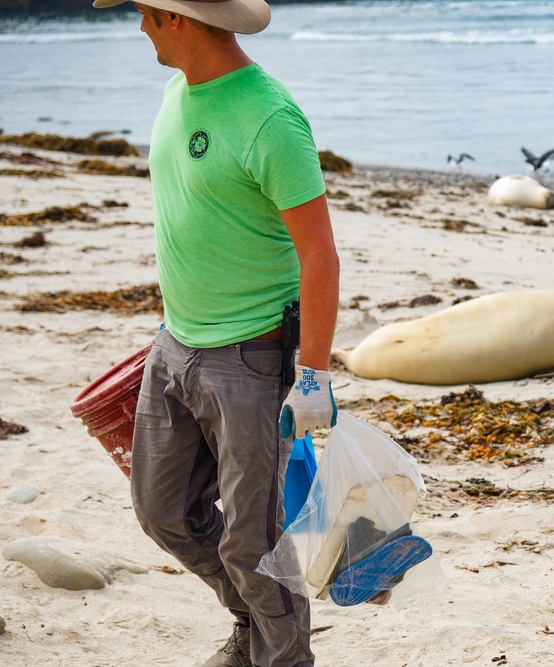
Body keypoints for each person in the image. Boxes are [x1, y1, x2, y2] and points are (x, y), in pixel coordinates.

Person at [92, 0, 339, 664]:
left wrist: (311, 374)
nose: (139, 26)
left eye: (144, 13)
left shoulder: (268, 117)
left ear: (177, 19)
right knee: (161, 509)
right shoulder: (177, 93)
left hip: (250, 360)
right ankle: (251, 622)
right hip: (173, 347)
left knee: (252, 543)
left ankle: (281, 654)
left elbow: (319, 253)